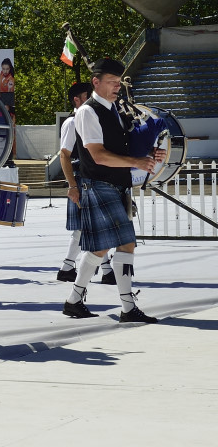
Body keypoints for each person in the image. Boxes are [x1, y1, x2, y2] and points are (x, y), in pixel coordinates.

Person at [62, 58, 161, 323]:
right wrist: (135, 162)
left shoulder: (114, 109)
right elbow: (98, 155)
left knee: (100, 248)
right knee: (125, 242)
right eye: (112, 82)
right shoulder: (88, 111)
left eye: (119, 82)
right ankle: (128, 308)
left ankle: (73, 300)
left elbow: (120, 149)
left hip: (116, 183)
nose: (118, 87)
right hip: (98, 182)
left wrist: (148, 153)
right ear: (96, 82)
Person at [57, 81, 116, 284]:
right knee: (87, 227)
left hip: (93, 177)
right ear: (77, 99)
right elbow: (64, 155)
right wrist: (72, 185)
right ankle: (70, 268)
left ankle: (74, 268)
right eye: (86, 95)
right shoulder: (72, 122)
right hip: (81, 179)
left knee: (95, 226)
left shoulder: (91, 119)